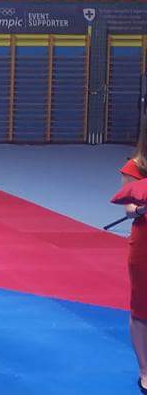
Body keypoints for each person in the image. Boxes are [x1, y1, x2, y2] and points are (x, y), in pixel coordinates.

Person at [119, 122, 147, 392]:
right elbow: (128, 209)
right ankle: (145, 370)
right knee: (141, 308)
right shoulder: (134, 167)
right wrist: (141, 208)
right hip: (144, 243)